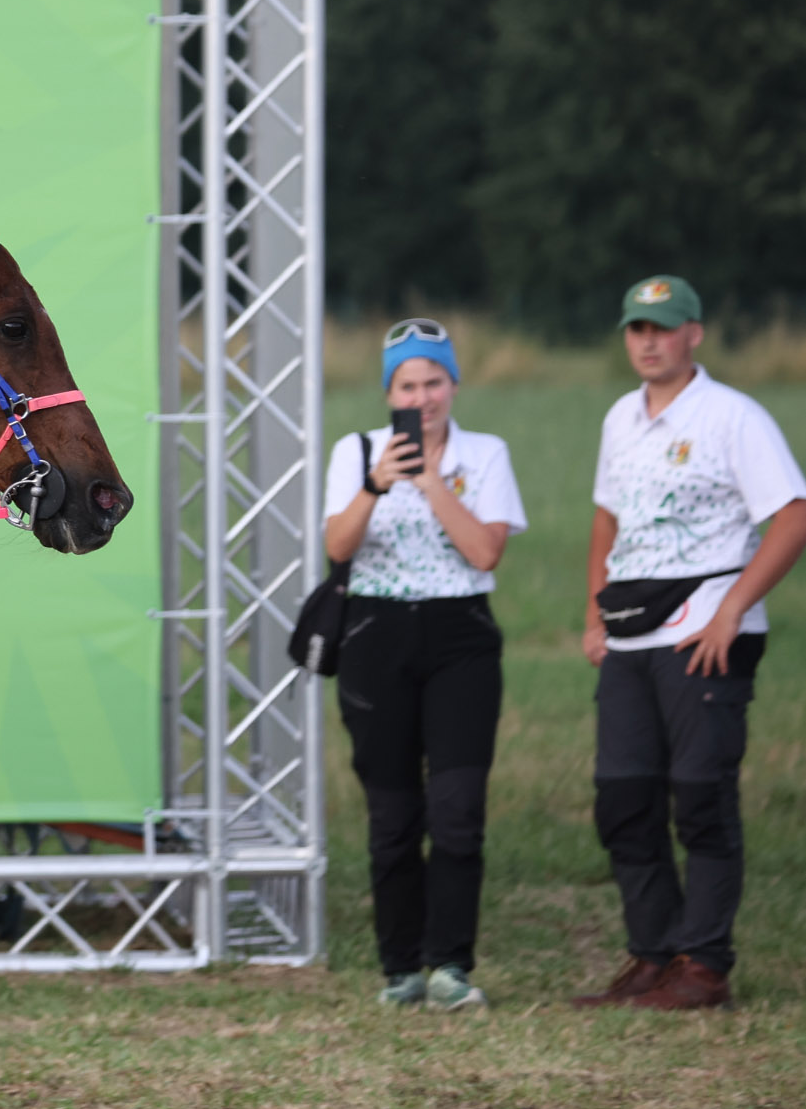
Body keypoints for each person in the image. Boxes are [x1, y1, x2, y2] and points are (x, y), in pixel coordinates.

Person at [573, 276, 806, 1012]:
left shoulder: (732, 417)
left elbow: (791, 516)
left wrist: (732, 608)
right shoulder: (619, 418)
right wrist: (591, 616)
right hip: (630, 636)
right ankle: (650, 956)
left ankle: (701, 966)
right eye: (636, 329)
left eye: (662, 328)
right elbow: (606, 521)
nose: (647, 341)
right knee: (623, 799)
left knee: (699, 798)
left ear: (693, 334)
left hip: (703, 636)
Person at [321, 320, 526, 1011]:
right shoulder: (354, 452)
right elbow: (338, 546)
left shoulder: (486, 453)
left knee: (458, 807)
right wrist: (377, 485)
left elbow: (484, 552)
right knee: (392, 814)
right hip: (376, 635)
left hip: (458, 635)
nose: (422, 395)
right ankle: (399, 968)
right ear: (388, 391)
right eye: (407, 383)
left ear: (453, 384)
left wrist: (433, 481)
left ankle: (450, 966)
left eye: (433, 381)